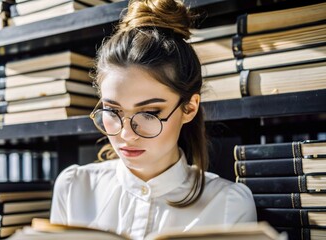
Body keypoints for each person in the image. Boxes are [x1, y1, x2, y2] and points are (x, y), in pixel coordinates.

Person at [50, 0, 257, 239]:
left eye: (149, 114)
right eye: (113, 111)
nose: (126, 135)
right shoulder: (73, 188)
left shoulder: (228, 205)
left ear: (189, 108)